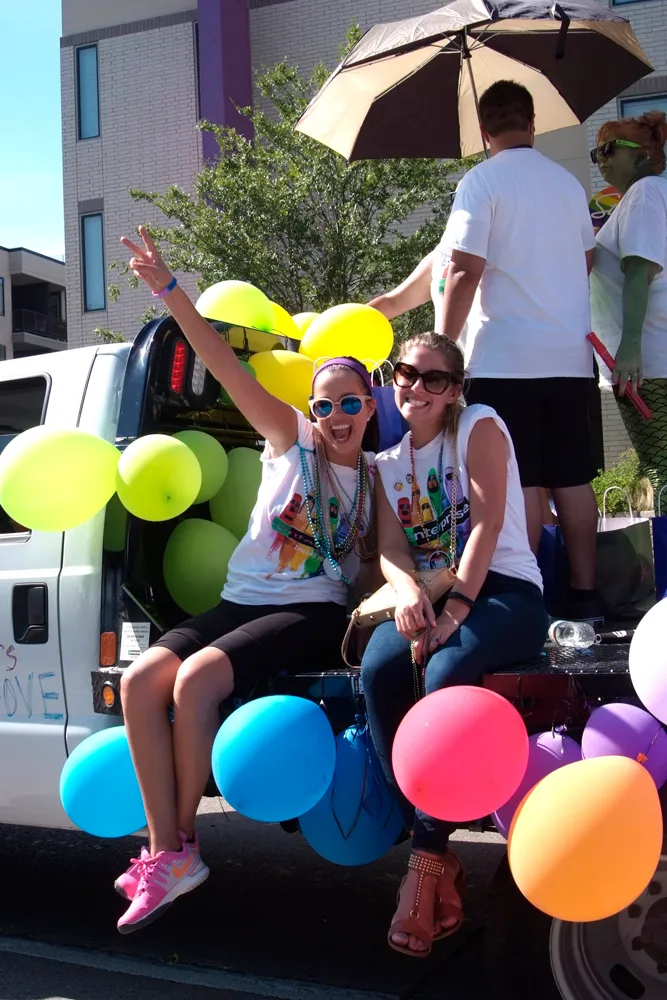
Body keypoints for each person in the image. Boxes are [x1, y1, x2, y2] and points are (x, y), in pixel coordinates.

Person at [115, 226, 377, 934]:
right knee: (140, 681)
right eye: (325, 404)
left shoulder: (378, 479)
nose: (336, 416)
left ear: (370, 407)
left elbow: (386, 560)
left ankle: (179, 851)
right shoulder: (292, 441)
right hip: (241, 600)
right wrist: (171, 291)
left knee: (198, 679)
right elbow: (227, 368)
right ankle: (166, 849)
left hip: (314, 609)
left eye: (351, 403)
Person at [371, 81, 603, 624]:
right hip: (570, 358)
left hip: (503, 359)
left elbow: (462, 269)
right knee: (573, 480)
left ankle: (529, 598)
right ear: (533, 123)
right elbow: (585, 261)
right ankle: (587, 596)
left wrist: (444, 350)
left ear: (483, 132)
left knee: (521, 484)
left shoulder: (480, 182)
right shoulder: (569, 184)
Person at [361, 332, 547, 958]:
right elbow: (392, 549)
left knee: (444, 675)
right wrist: (407, 591)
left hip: (505, 591)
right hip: (433, 593)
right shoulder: (387, 464)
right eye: (405, 373)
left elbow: (488, 522)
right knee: (380, 669)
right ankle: (433, 842)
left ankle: (425, 866)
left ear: (455, 390)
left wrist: (457, 609)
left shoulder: (478, 425)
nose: (416, 386)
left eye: (434, 378)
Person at [590, 110, 667, 485]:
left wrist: (631, 344)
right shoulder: (644, 197)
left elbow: (640, 271)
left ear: (641, 156)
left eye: (609, 149)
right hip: (648, 361)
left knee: (660, 469)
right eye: (596, 153)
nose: (600, 159)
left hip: (648, 362)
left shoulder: (645, 193)